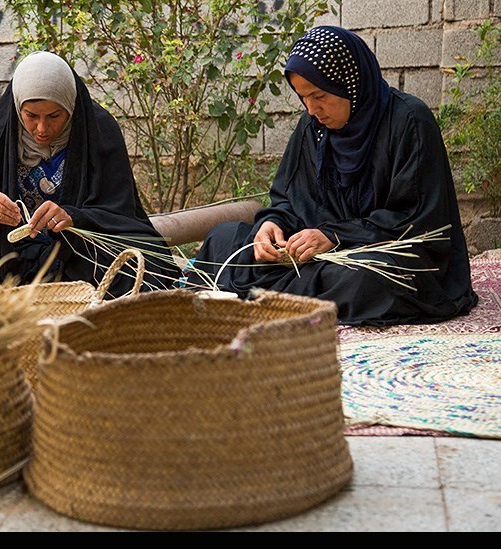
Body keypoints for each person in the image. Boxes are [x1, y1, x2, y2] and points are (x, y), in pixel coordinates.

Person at [186, 26, 478, 326]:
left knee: (370, 280)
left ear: (349, 84)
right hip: (311, 260)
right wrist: (271, 225)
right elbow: (289, 199)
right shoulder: (313, 127)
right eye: (303, 98)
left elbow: (417, 221)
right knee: (224, 238)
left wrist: (334, 236)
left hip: (376, 255)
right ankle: (285, 295)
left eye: (320, 95)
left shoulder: (410, 121)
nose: (312, 109)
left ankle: (268, 295)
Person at [0, 51, 180, 296]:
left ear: (70, 107)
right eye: (31, 116)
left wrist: (73, 218)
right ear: (18, 109)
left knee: (146, 264)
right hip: (11, 252)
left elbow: (120, 213)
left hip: (76, 254)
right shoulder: (3, 129)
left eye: (54, 116)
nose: (41, 129)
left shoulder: (100, 130)